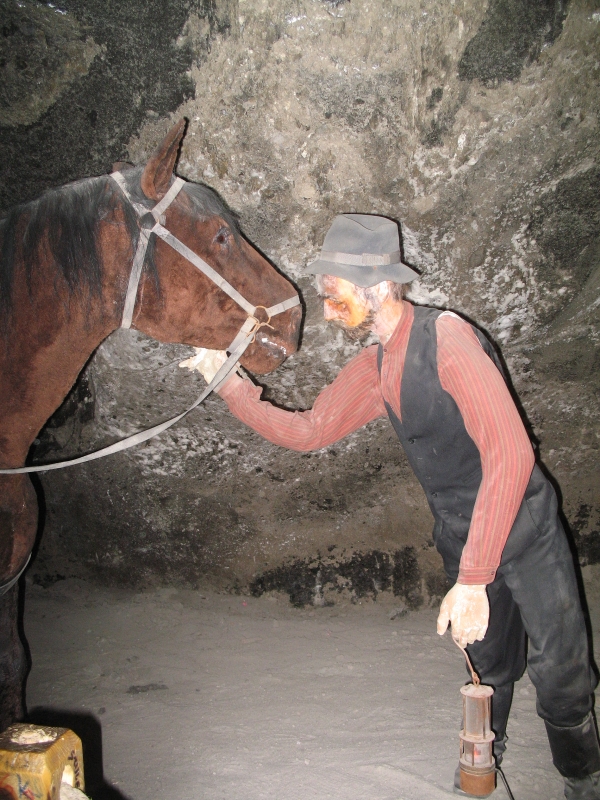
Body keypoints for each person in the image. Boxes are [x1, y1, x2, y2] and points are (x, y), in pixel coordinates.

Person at [186, 214, 600, 799]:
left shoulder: (447, 338)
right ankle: (484, 766)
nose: (327, 313)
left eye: (333, 297)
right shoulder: (378, 364)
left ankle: (582, 779)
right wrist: (229, 383)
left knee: (562, 672)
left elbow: (510, 454)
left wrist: (474, 579)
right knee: (488, 669)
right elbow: (311, 431)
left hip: (524, 530)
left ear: (377, 286)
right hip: (464, 539)